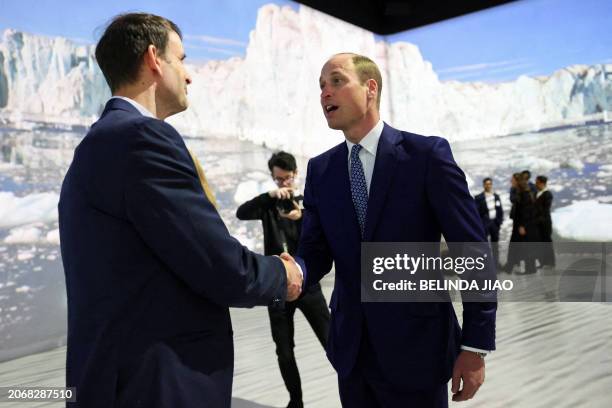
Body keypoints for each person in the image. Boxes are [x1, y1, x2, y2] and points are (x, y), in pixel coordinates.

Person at [58, 13, 303, 408]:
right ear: (154, 59)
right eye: (182, 59)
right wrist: (284, 273)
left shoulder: (98, 143)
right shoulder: (140, 139)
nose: (188, 76)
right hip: (157, 386)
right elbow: (217, 264)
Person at [297, 53, 496, 407]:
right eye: (321, 86)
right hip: (352, 353)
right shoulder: (321, 170)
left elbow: (472, 251)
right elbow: (314, 251)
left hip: (419, 349)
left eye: (337, 81)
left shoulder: (426, 156)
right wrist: (290, 271)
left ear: (370, 87)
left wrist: (475, 345)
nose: (325, 93)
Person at [236, 151, 330, 408]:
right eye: (278, 180)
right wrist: (269, 196)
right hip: (277, 287)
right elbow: (242, 213)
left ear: (295, 175)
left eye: (287, 179)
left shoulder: (306, 202)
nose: (283, 184)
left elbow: (323, 238)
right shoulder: (269, 203)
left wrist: (303, 218)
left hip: (308, 285)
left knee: (332, 341)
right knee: (284, 350)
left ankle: (357, 392)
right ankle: (295, 402)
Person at [513, 176, 541, 274]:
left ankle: (529, 269)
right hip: (532, 225)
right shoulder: (530, 194)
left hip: (526, 226)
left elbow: (524, 212)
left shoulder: (523, 196)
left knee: (527, 247)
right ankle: (532, 268)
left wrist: (521, 226)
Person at [474, 178, 503, 267]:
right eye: (486, 184)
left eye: (490, 184)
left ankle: (496, 263)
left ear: (491, 185)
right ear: (484, 185)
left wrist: (499, 221)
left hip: (494, 223)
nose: (488, 185)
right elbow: (476, 212)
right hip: (485, 224)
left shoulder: (496, 196)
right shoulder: (479, 197)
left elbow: (499, 210)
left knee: (495, 244)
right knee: (484, 244)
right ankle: (485, 263)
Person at [535, 175, 555, 267]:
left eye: (537, 182)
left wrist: (538, 219)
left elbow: (545, 209)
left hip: (545, 222)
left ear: (542, 183)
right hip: (539, 222)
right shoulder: (538, 193)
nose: (536, 184)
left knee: (547, 242)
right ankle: (543, 261)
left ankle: (550, 262)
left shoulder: (547, 194)